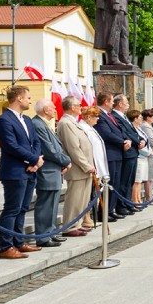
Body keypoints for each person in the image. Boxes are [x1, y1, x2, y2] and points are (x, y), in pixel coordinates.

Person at [0, 85, 44, 259]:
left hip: (30, 170)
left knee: (23, 208)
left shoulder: (27, 120)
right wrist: (33, 159)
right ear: (19, 99)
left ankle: (18, 241)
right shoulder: (4, 120)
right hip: (14, 172)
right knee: (12, 209)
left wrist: (36, 161)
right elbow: (11, 146)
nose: (30, 101)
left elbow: (36, 142)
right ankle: (6, 246)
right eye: (28, 98)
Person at [31, 99, 72, 248]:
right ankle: (43, 236)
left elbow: (56, 147)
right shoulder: (37, 124)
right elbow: (49, 150)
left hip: (54, 170)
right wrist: (66, 161)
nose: (55, 110)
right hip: (47, 170)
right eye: (53, 108)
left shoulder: (44, 123)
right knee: (45, 205)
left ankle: (51, 232)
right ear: (45, 109)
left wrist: (63, 161)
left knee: (53, 204)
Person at [56, 96, 96, 235]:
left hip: (84, 168)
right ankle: (70, 226)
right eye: (78, 105)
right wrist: (86, 165)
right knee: (74, 199)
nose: (81, 107)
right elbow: (73, 148)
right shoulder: (66, 123)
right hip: (78, 168)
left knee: (82, 199)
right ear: (72, 107)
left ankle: (77, 223)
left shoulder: (73, 122)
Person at [93, 91, 128, 221]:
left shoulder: (109, 115)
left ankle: (111, 209)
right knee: (109, 183)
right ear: (106, 102)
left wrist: (126, 139)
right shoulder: (100, 115)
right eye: (112, 100)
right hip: (110, 153)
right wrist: (122, 141)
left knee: (116, 184)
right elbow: (106, 134)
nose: (113, 103)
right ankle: (104, 212)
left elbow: (120, 130)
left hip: (117, 153)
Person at [77, 106, 111, 222]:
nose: (97, 119)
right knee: (87, 195)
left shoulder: (91, 128)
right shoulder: (83, 128)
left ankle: (88, 216)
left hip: (97, 165)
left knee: (91, 194)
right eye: (96, 116)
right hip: (91, 165)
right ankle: (86, 217)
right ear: (88, 117)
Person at [112, 96, 143, 214]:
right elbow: (125, 133)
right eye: (126, 102)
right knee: (124, 181)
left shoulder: (123, 117)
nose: (128, 104)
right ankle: (122, 205)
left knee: (130, 180)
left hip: (133, 152)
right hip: (127, 153)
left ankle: (128, 203)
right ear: (120, 104)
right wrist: (138, 141)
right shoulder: (115, 117)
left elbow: (133, 131)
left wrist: (141, 140)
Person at [128, 109, 150, 204]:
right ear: (135, 118)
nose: (141, 119)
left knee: (140, 180)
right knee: (137, 180)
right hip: (139, 156)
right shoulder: (133, 128)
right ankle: (135, 200)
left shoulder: (139, 128)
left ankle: (139, 199)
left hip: (144, 156)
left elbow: (145, 140)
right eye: (140, 117)